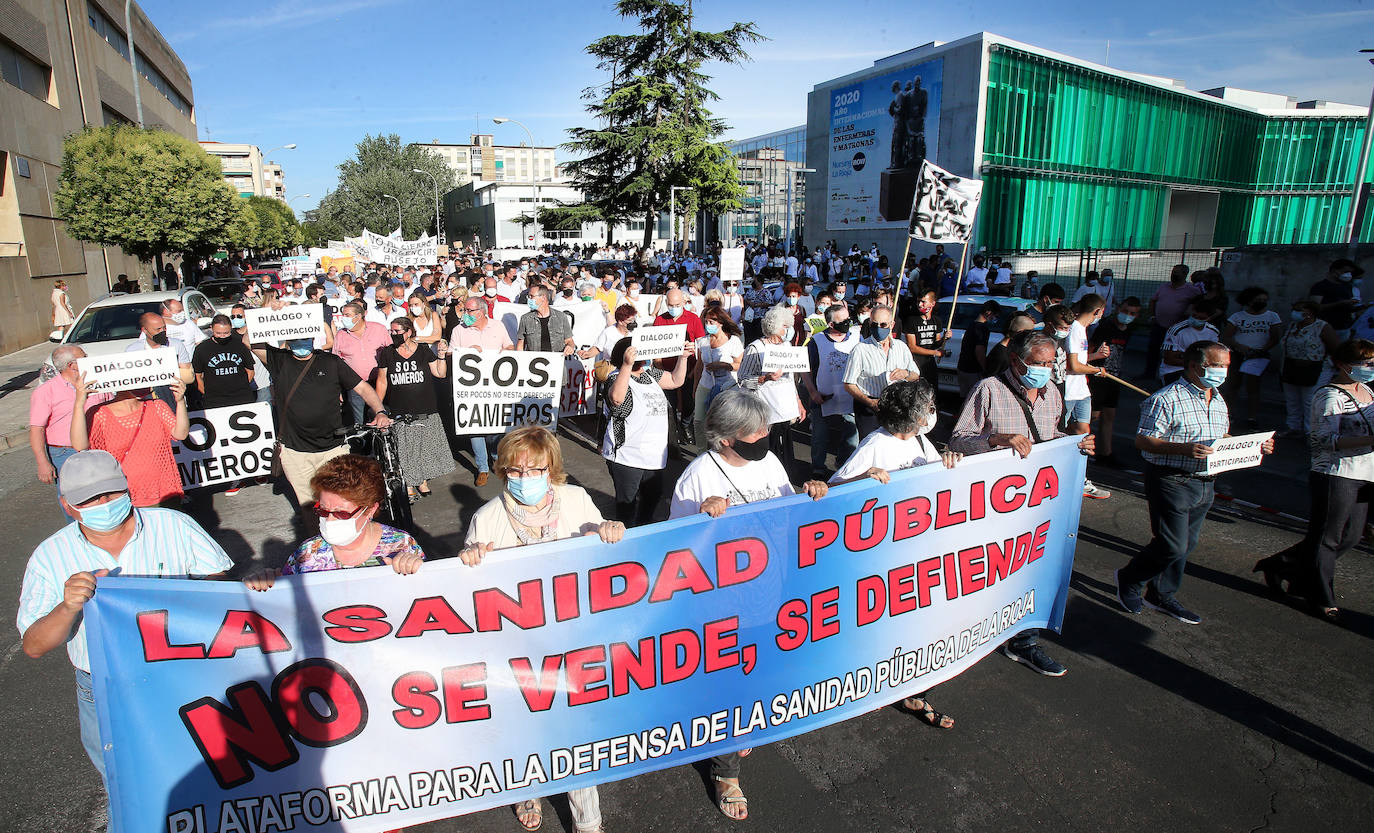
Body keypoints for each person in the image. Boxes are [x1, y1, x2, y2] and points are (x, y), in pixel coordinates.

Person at [17, 450, 234, 810]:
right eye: (89, 498)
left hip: (181, 674)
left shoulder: (174, 526)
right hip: (105, 687)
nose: (103, 503)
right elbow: (34, 645)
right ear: (68, 506)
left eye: (111, 492)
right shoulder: (49, 555)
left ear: (127, 488)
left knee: (207, 774)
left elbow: (221, 585)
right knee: (129, 791)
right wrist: (68, 606)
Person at [669, 389, 827, 820]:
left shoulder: (769, 460)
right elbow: (673, 551)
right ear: (725, 438)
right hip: (720, 604)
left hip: (769, 594)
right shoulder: (698, 476)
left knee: (755, 671)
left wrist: (809, 493)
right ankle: (726, 774)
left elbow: (787, 510)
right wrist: (701, 514)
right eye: (754, 430)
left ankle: (735, 727)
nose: (765, 434)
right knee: (728, 685)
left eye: (764, 427)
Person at [458, 426, 623, 833]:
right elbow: (467, 595)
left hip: (571, 639)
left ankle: (588, 821)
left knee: (574, 729)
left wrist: (608, 532)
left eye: (534, 470)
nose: (524, 477)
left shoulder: (576, 499)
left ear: (552, 469)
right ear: (502, 471)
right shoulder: (487, 518)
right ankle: (526, 788)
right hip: (515, 648)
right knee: (523, 725)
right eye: (515, 470)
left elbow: (602, 554)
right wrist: (469, 558)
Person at [949, 331, 1094, 676]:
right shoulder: (988, 390)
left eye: (1050, 363)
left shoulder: (1053, 394)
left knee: (1028, 569)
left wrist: (1076, 443)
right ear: (1016, 361)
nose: (1046, 369)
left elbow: (1050, 438)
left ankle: (1023, 640)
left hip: (1038, 501)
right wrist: (997, 439)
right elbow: (958, 439)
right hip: (992, 504)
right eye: (1039, 363)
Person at [1117, 341, 1272, 624]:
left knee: (1186, 545)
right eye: (1216, 365)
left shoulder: (1218, 398)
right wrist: (1183, 449)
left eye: (1226, 365)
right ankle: (1130, 579)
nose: (1223, 371)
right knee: (1172, 545)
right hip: (1172, 480)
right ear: (1193, 366)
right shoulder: (1165, 398)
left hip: (1205, 482)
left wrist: (1254, 446)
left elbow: (1220, 437)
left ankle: (1162, 594)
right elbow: (1143, 440)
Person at [1256, 340, 1374, 622]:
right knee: (1327, 537)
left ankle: (1281, 565)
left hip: (1366, 472)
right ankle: (1320, 596)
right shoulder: (1329, 396)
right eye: (1367, 364)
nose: (1371, 369)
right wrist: (1369, 439)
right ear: (1346, 366)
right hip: (1336, 473)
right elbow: (1322, 441)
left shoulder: (1367, 390)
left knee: (1351, 536)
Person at [251, 337, 392, 514]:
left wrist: (380, 411)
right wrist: (271, 310)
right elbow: (250, 341)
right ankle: (317, 539)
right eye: (296, 339)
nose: (301, 343)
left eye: (305, 338)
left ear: (312, 338)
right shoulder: (280, 360)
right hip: (296, 452)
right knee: (309, 507)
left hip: (333, 448)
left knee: (343, 501)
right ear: (288, 340)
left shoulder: (331, 362)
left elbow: (362, 388)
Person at [251, 454, 425, 579]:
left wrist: (414, 567)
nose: (330, 520)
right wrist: (268, 584)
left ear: (370, 510)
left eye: (341, 513)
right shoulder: (307, 553)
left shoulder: (401, 545)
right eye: (323, 511)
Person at [602, 338, 691, 525]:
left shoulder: (649, 374)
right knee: (627, 504)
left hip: (654, 454)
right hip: (627, 455)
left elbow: (676, 380)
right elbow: (617, 399)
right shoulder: (616, 376)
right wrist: (626, 366)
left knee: (652, 498)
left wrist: (682, 358)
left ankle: (642, 531)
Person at [71, 373, 189, 509]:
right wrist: (79, 404)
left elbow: (181, 434)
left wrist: (180, 402)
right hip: (124, 496)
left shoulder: (157, 406)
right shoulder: (99, 414)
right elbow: (79, 445)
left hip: (164, 492)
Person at [375, 317, 455, 501]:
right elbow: (382, 380)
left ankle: (422, 480)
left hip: (424, 407)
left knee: (423, 448)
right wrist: (378, 408)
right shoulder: (387, 353)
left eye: (397, 332)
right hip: (399, 409)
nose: (393, 335)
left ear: (409, 332)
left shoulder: (424, 350)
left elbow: (440, 373)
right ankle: (410, 483)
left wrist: (441, 355)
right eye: (392, 332)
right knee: (405, 448)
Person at [450, 296, 514, 486]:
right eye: (465, 310)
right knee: (475, 427)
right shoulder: (458, 330)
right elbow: (451, 353)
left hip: (495, 384)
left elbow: (508, 345)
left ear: (482, 311)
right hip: (471, 387)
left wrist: (508, 351)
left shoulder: (498, 326)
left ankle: (496, 457)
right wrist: (468, 351)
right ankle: (482, 468)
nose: (466, 314)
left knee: (495, 425)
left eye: (470, 311)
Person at [736, 307, 807, 473]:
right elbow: (742, 380)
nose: (788, 330)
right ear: (774, 327)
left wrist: (798, 401)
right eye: (785, 326)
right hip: (765, 412)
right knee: (767, 453)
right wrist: (765, 378)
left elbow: (790, 379)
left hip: (784, 411)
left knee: (785, 452)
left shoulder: (787, 346)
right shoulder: (755, 348)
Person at [842, 304, 919, 439]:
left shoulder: (901, 347)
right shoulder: (860, 350)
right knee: (870, 446)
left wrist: (905, 373)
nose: (878, 328)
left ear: (892, 324)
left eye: (883, 325)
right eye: (874, 324)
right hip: (869, 407)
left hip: (896, 405)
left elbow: (915, 375)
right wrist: (870, 402)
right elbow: (848, 384)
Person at [1063, 294, 1112, 499]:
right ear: (1098, 311)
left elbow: (1078, 359)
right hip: (1068, 392)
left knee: (1084, 434)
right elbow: (1072, 366)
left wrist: (1095, 358)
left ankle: (1080, 479)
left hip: (1082, 391)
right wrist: (1096, 370)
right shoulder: (1074, 329)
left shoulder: (1081, 330)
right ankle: (1063, 476)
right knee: (1062, 435)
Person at [804, 304, 860, 476]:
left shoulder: (857, 338)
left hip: (850, 396)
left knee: (852, 436)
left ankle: (844, 463)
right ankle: (818, 469)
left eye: (847, 318)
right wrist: (812, 392)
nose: (847, 323)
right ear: (830, 324)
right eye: (842, 321)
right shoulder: (816, 341)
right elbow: (805, 369)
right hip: (823, 398)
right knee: (819, 437)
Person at [1087, 297, 1141, 466]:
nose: (1128, 315)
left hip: (1114, 377)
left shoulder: (1127, 330)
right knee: (1092, 416)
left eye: (1132, 313)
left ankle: (1105, 453)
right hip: (1098, 375)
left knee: (1109, 415)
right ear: (1118, 309)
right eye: (1125, 311)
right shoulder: (1105, 327)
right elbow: (1090, 349)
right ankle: (1080, 445)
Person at [1277, 301, 1340, 438]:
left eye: (1299, 309)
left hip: (1315, 368)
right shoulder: (1293, 326)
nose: (1295, 312)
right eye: (1294, 309)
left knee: (1310, 401)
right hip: (1291, 367)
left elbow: (1336, 347)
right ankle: (1293, 427)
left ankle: (1311, 433)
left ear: (1310, 312)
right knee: (1292, 399)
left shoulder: (1322, 327)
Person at [1222, 287, 1282, 427]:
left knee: (1253, 387)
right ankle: (1229, 414)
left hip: (1258, 355)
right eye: (1258, 300)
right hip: (1238, 354)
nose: (1261, 302)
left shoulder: (1272, 316)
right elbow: (1227, 336)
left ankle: (1252, 417)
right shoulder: (1237, 317)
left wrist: (1261, 350)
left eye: (1264, 300)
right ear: (1249, 300)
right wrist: (1240, 347)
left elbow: (1275, 337)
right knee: (1233, 385)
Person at [692, 308, 745, 448]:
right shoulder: (703, 342)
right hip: (705, 384)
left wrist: (725, 365)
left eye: (711, 321)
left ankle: (723, 451)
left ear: (720, 322)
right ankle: (701, 452)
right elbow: (699, 366)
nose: (707, 324)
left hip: (726, 386)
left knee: (723, 423)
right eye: (706, 321)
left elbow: (741, 364)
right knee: (699, 421)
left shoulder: (733, 341)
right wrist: (695, 387)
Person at [333, 301, 392, 425]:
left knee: (383, 415)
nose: (344, 318)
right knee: (359, 422)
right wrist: (337, 389)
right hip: (355, 385)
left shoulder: (379, 329)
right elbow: (335, 363)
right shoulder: (341, 335)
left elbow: (391, 353)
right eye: (343, 314)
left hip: (379, 382)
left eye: (347, 315)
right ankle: (363, 443)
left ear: (359, 316)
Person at [1143, 264, 1203, 379]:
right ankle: (1149, 373)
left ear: (1184, 275)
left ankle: (1170, 376)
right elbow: (1153, 301)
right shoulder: (1164, 287)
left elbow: (1198, 306)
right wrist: (1152, 316)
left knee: (1172, 354)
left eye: (1177, 273)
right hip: (1159, 325)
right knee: (1153, 350)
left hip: (1177, 329)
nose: (1174, 275)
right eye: (1173, 272)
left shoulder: (1192, 290)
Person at [1158, 297, 1220, 383]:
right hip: (1174, 371)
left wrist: (1184, 355)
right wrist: (1197, 362)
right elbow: (1169, 359)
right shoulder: (1176, 330)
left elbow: (1211, 356)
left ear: (1209, 318)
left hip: (1199, 372)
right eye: (1194, 316)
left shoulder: (1213, 332)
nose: (1196, 320)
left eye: (1201, 318)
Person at [902, 288, 948, 389]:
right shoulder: (911, 320)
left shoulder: (936, 321)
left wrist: (944, 338)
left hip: (929, 364)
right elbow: (912, 347)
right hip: (915, 363)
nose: (920, 305)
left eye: (923, 302)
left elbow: (936, 344)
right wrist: (935, 353)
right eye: (918, 301)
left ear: (932, 303)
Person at [956, 300, 1001, 397]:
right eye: (995, 316)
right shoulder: (983, 329)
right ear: (988, 312)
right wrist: (984, 369)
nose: (995, 319)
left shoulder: (971, 325)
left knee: (964, 399)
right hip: (973, 370)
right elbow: (979, 351)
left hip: (962, 367)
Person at [516, 287, 576, 355]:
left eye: (531, 296)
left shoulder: (561, 317)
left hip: (556, 361)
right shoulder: (525, 319)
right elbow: (520, 344)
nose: (529, 299)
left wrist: (570, 346)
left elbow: (569, 340)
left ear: (543, 298)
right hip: (534, 362)